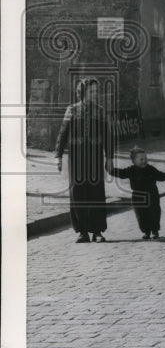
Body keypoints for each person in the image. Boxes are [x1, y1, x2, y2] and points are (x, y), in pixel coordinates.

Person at [55, 78, 114, 243]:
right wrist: (58, 156)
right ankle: (82, 232)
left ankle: (97, 231)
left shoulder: (100, 111)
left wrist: (109, 158)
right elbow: (63, 134)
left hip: (95, 156)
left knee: (96, 191)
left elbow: (108, 136)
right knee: (78, 192)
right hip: (76, 157)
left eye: (96, 91)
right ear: (82, 92)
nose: (95, 95)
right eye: (91, 91)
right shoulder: (72, 110)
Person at [110, 147, 165, 239]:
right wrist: (110, 169)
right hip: (138, 197)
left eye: (145, 158)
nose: (144, 161)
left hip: (152, 195)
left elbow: (161, 176)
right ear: (134, 161)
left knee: (154, 213)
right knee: (141, 215)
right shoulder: (131, 170)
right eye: (141, 159)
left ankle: (154, 231)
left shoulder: (151, 169)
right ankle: (146, 231)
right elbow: (121, 173)